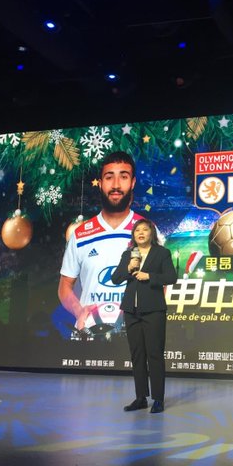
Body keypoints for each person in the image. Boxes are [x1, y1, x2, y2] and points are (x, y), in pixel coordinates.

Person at [58, 151, 145, 334]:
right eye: (109, 177)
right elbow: (64, 286)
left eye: (123, 177)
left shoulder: (148, 232)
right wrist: (79, 311)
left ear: (133, 182)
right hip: (89, 335)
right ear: (100, 183)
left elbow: (162, 286)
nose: (116, 185)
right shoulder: (81, 234)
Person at [112, 218, 177, 413]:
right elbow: (115, 278)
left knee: (154, 354)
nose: (140, 233)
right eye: (137, 230)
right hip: (131, 311)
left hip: (153, 310)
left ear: (151, 233)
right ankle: (140, 397)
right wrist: (128, 268)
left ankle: (158, 399)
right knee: (137, 354)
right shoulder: (128, 254)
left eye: (145, 230)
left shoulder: (161, 253)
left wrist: (149, 276)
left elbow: (171, 277)